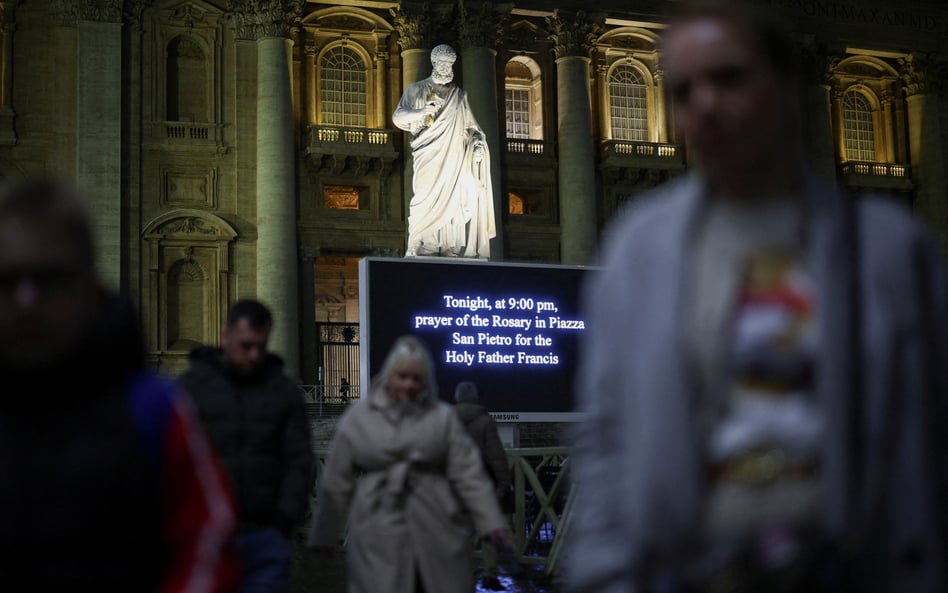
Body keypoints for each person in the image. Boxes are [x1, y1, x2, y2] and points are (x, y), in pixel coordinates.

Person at [565, 2, 948, 593]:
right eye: (684, 90)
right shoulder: (639, 248)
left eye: (729, 77)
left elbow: (930, 426)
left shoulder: (890, 247)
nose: (706, 105)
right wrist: (605, 575)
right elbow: (605, 433)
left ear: (790, 84)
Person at [0, 179, 238, 591]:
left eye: (49, 278)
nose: (26, 301)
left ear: (90, 286)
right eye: (7, 280)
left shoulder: (157, 409)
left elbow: (207, 543)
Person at [308, 335, 511, 593]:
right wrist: (325, 531)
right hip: (378, 522)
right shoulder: (361, 417)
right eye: (403, 376)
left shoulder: (442, 418)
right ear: (390, 375)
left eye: (416, 379)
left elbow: (469, 472)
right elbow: (337, 477)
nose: (409, 384)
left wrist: (491, 520)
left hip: (432, 522)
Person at [181, 299, 314, 593]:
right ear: (225, 336)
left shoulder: (285, 394)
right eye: (246, 345)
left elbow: (299, 462)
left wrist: (284, 520)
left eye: (261, 347)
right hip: (202, 538)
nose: (254, 355)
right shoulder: (190, 390)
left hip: (265, 533)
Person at [392, 44, 496, 259]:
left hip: (454, 156)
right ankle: (424, 242)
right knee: (425, 197)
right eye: (442, 64)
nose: (446, 68)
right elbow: (398, 118)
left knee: (454, 197)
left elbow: (472, 128)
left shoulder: (459, 95)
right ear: (433, 63)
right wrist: (421, 111)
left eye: (449, 64)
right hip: (427, 153)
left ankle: (450, 245)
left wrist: (477, 145)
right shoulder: (416, 89)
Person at [454, 381, 513, 590]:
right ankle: (490, 575)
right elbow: (496, 456)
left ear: (457, 398)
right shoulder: (485, 422)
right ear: (476, 398)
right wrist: (504, 483)